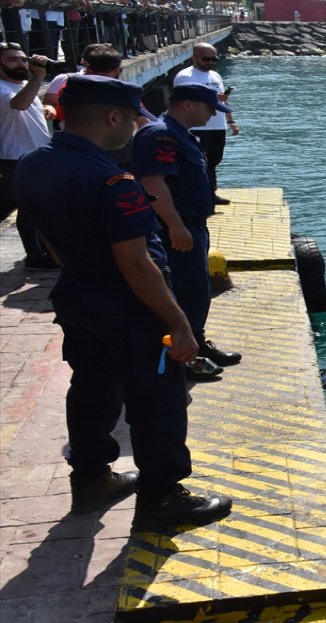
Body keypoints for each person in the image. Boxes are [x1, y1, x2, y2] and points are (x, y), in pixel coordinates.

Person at [14, 75, 232, 527]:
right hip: (130, 305)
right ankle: (161, 496)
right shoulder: (113, 182)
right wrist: (181, 324)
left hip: (76, 292)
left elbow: (51, 240)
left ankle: (91, 476)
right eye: (132, 118)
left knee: (91, 386)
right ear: (113, 117)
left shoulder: (34, 164)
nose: (136, 126)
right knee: (156, 399)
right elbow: (136, 264)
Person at [132, 83, 241, 381]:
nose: (212, 116)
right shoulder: (162, 134)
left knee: (196, 288)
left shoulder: (179, 134)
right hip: (176, 227)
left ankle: (196, 343)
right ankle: (184, 357)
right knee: (184, 288)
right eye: (209, 109)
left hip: (192, 223)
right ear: (189, 104)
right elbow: (153, 182)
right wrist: (174, 224)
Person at [1, 42, 57, 269]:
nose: (22, 64)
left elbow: (27, 105)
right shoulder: (3, 87)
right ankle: (35, 256)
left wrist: (47, 109)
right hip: (15, 156)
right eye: (13, 59)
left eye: (23, 59)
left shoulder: (23, 84)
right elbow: (19, 105)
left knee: (25, 204)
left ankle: (41, 251)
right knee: (31, 207)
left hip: (35, 153)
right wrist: (37, 77)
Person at [172, 43, 238, 205]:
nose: (210, 62)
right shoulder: (185, 76)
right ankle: (196, 195)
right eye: (206, 59)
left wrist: (230, 121)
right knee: (196, 163)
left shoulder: (215, 76)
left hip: (217, 126)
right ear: (195, 57)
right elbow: (185, 101)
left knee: (213, 161)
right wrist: (215, 99)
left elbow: (223, 100)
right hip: (197, 127)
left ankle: (211, 193)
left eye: (213, 59)